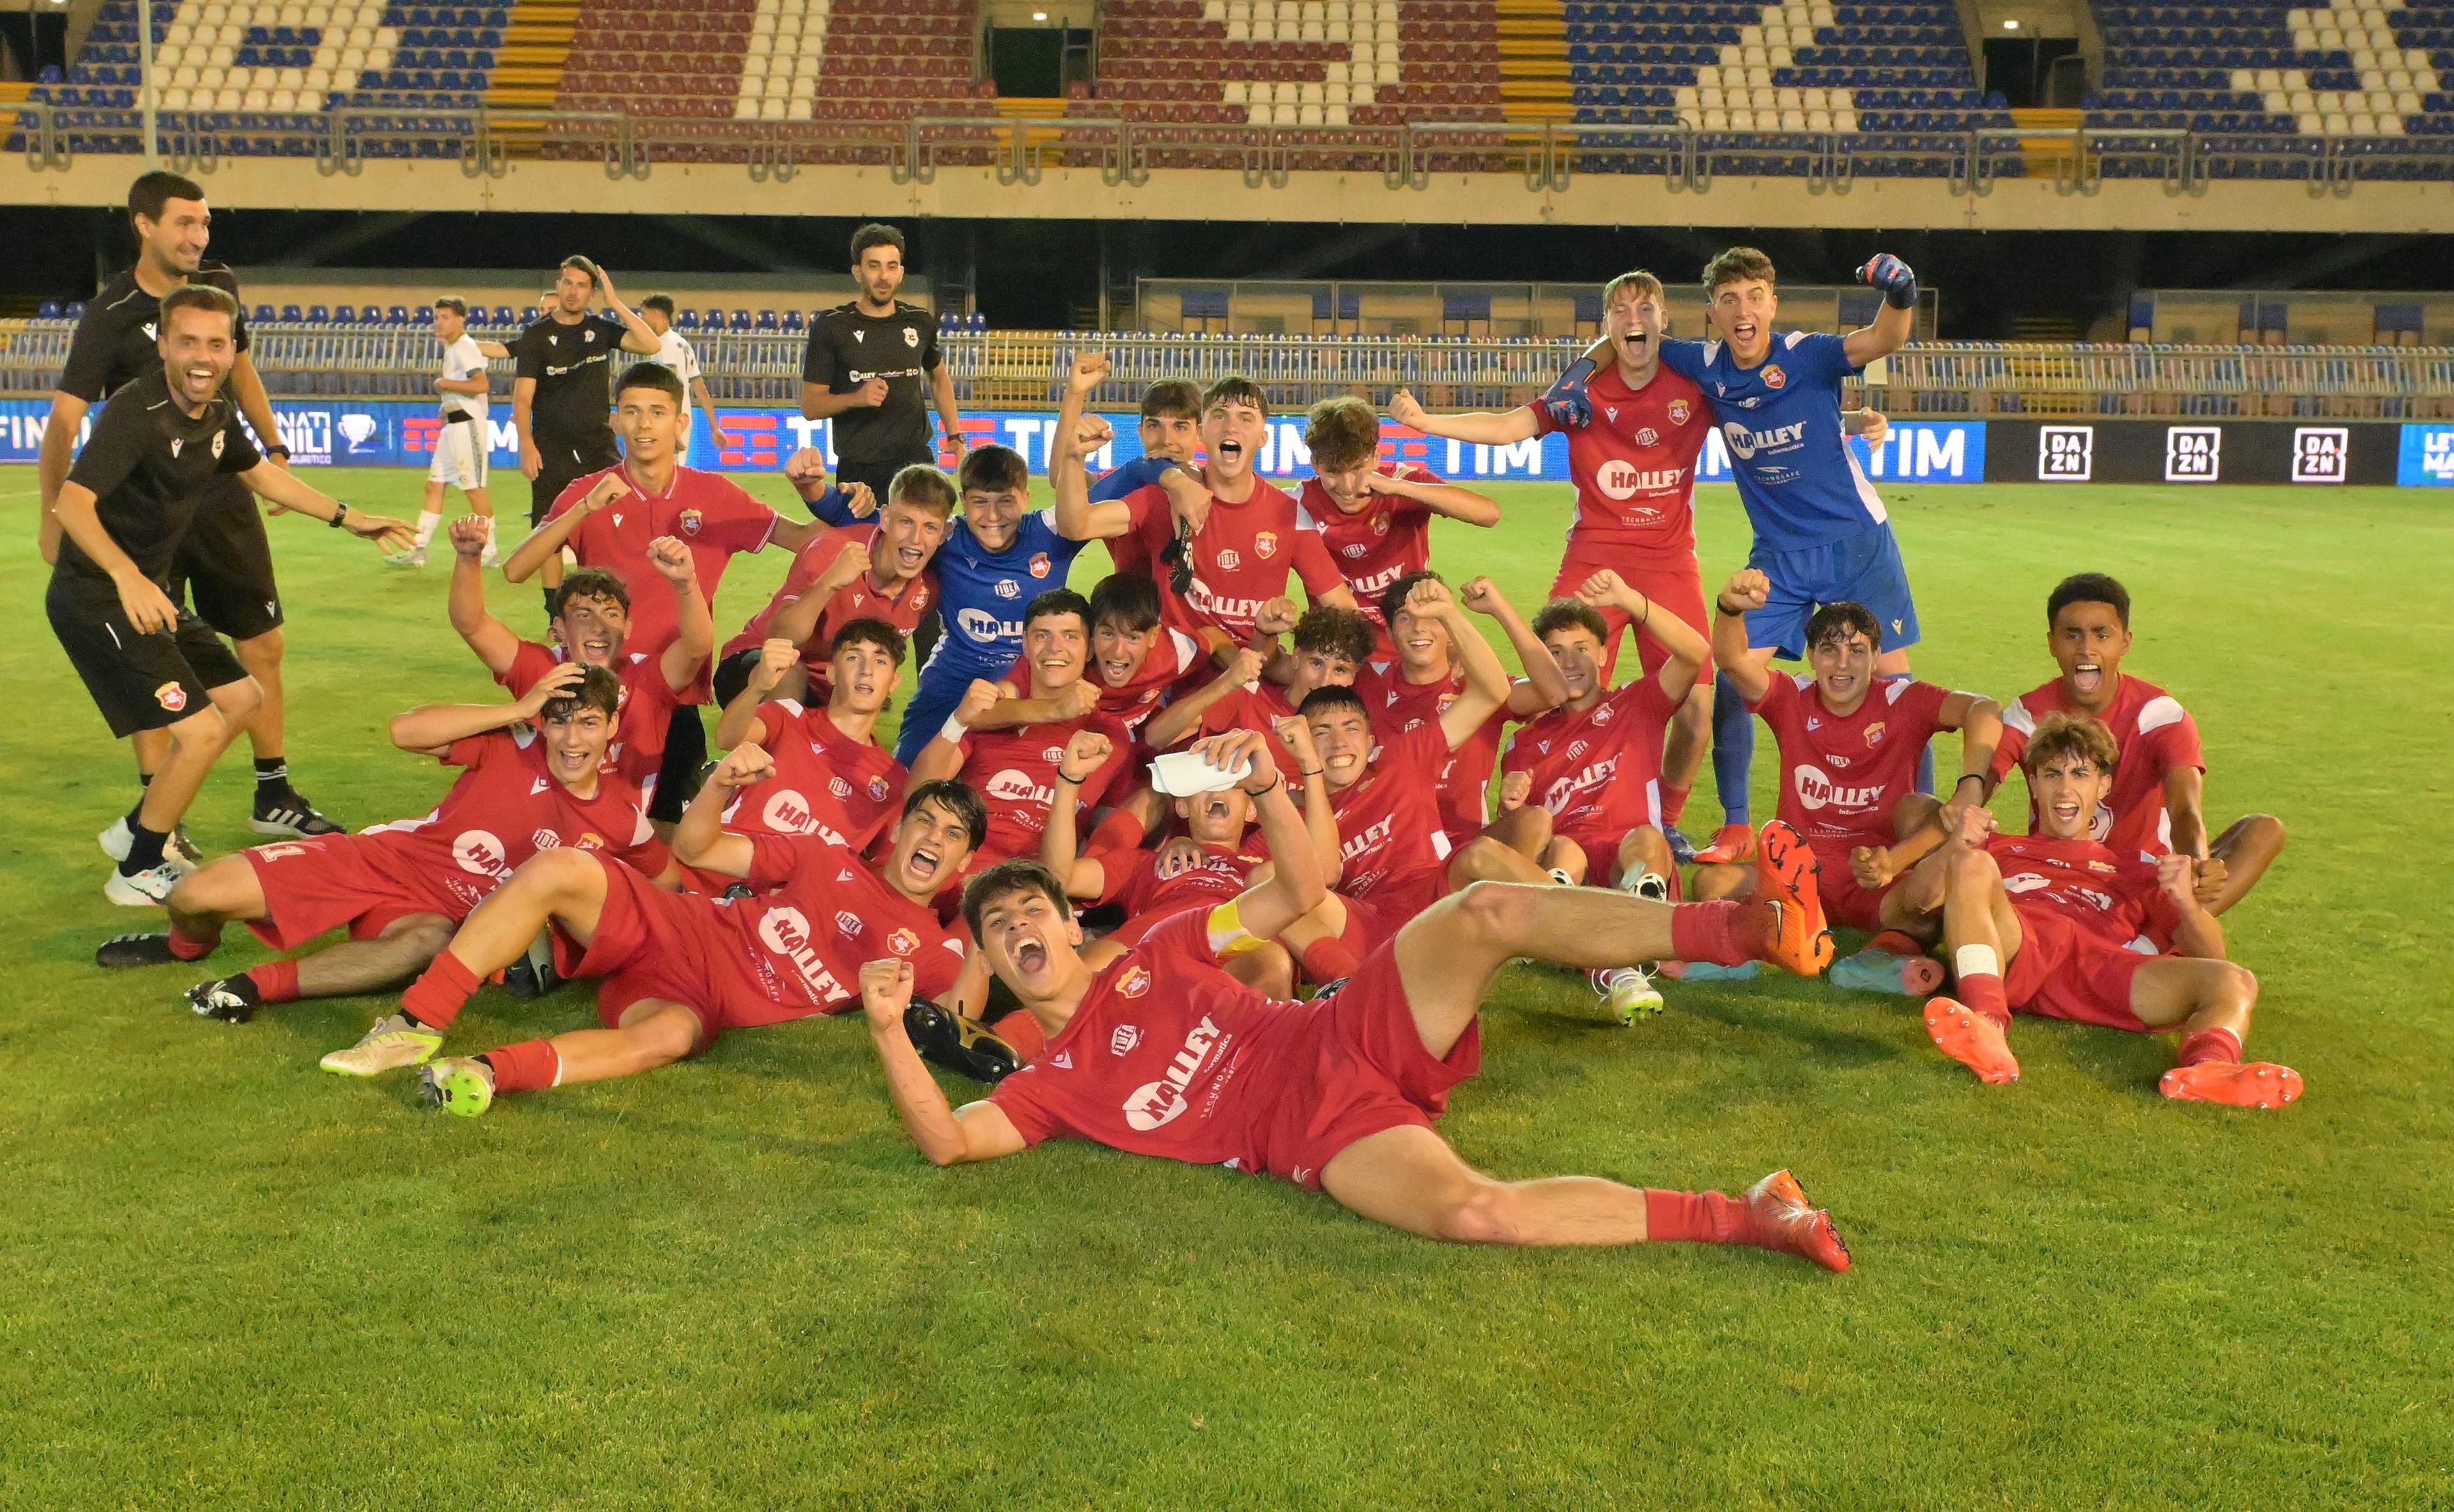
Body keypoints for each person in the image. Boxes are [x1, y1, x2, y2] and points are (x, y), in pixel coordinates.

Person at [855, 734, 1849, 1266]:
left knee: (1488, 904)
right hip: (1312, 1127)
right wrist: (891, 1026)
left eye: (1034, 907)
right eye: (999, 927)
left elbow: (1291, 894)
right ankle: (1745, 1214)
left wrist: (1274, 787)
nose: (1023, 927)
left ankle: (1746, 929)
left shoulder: (1159, 949)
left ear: (1072, 922)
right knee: (1477, 1215)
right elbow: (947, 1138)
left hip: (1338, 1025)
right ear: (990, 953)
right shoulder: (1048, 1085)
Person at [47, 282, 413, 904]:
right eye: (188, 341)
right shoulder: (135, 413)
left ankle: (137, 826)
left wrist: (349, 516)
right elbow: (73, 503)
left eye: (216, 344)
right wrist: (127, 575)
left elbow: (260, 473)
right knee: (198, 732)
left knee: (243, 696)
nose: (203, 356)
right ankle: (139, 864)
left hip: (153, 598)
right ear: (162, 344)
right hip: (100, 597)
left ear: (230, 350)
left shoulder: (214, 410)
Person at [378, 759, 990, 1115]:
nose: (933, 839)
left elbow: (955, 1029)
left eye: (953, 834)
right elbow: (698, 848)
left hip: (695, 998)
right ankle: (415, 1023)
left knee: (670, 1037)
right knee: (561, 866)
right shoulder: (821, 855)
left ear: (963, 861)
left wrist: (982, 936)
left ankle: (486, 1071)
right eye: (924, 822)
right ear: (900, 830)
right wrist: (722, 782)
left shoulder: (932, 953)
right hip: (678, 922)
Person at [93, 664, 670, 1025]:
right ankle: (185, 947)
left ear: (611, 730)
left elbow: (669, 884)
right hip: (382, 861)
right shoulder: (508, 743)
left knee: (423, 946)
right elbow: (404, 731)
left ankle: (252, 986)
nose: (572, 739)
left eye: (588, 724)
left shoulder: (622, 819)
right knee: (196, 893)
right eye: (559, 723)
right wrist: (517, 709)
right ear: (542, 723)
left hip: (442, 916)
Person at [40, 170, 346, 845]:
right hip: (146, 514)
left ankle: (274, 789)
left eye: (204, 224)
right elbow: (65, 420)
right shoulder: (111, 312)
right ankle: (160, 816)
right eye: (184, 222)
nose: (197, 236)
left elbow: (242, 371)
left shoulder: (218, 289)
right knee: (152, 658)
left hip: (221, 491)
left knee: (262, 639)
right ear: (143, 224)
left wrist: (273, 445)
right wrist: (50, 513)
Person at [1394, 272, 1720, 856]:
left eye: (1644, 308)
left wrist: (1855, 428)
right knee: (1556, 689)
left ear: (1664, 320)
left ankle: (1665, 816)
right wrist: (1427, 424)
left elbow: (1764, 419)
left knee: (1697, 705)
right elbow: (1509, 426)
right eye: (1619, 311)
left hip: (1670, 562)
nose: (1633, 319)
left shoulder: (1693, 384)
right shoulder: (1582, 394)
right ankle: (1555, 807)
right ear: (1608, 327)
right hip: (1595, 553)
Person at [1640, 247, 1924, 865]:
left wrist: (1901, 292)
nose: (1743, 310)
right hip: (1779, 554)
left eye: (1754, 297)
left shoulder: (1809, 353)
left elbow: (1884, 337)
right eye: (1729, 299)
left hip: (1858, 542)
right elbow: (1626, 342)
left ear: (1772, 303)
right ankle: (1738, 824)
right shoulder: (1703, 365)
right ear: (1712, 311)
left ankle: (1920, 827)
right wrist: (1580, 379)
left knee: (1896, 688)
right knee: (1736, 674)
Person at [1917, 715, 2301, 1109]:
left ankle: (2208, 1070)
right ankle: (1987, 1022)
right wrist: (1955, 848)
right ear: (2033, 784)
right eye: (2052, 774)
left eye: (2080, 774)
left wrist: (2185, 901)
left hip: (2103, 970)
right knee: (1971, 864)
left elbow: (2213, 956)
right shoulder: (1998, 845)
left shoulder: (2136, 865)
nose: (2065, 789)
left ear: (2103, 784)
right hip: (2021, 948)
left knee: (2236, 982)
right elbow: (1920, 901)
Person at [503, 363, 827, 826]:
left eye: (657, 412)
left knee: (664, 835)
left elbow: (803, 539)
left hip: (672, 694)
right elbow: (516, 569)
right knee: (566, 825)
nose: (643, 424)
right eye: (631, 412)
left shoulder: (714, 495)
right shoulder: (587, 492)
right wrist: (584, 507)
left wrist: (821, 495)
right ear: (615, 421)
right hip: (591, 693)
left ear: (680, 424)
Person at [1696, 573, 2000, 995]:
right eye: (1830, 650)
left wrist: (1970, 785)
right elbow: (1732, 660)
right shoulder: (1791, 698)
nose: (1843, 663)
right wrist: (1730, 608)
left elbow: (1984, 709)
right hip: (1799, 875)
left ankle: (1878, 956)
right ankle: (1769, 949)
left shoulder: (1903, 702)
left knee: (1930, 877)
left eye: (1857, 651)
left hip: (1878, 876)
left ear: (1877, 657)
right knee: (1710, 884)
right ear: (1811, 656)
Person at [1986, 573, 2283, 917]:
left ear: (2125, 642)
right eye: (2072, 635)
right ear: (2052, 643)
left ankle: (2162, 921)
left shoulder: (2159, 714)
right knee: (1946, 835)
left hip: (2142, 875)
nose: (2086, 648)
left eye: (2102, 634)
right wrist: (1970, 808)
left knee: (2264, 830)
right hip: (2057, 871)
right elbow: (1984, 782)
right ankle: (2162, 934)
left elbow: (2185, 809)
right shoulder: (2027, 714)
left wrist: (2198, 864)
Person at [1497, 572, 1711, 1022]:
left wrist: (1632, 600)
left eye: (1581, 649)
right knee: (1564, 847)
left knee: (1650, 840)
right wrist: (1510, 802)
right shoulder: (1525, 743)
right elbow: (1517, 838)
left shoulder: (1638, 704)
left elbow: (1695, 652)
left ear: (1604, 653)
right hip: (1569, 867)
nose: (1569, 662)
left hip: (1630, 862)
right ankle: (1627, 947)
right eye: (1554, 652)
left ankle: (1618, 927)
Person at [1051, 362, 1359, 658]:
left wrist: (1301, 657)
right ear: (1204, 432)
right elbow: (1074, 520)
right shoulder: (1159, 496)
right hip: (1167, 672)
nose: (1232, 427)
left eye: (1246, 418)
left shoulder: (1288, 514)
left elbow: (1344, 612)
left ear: (1264, 438)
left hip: (1251, 675)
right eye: (1221, 416)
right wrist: (1074, 453)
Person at [1041, 723, 1339, 997]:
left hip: (1240, 937)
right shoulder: (1147, 862)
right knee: (1079, 981)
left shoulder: (1265, 866)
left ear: (1252, 811)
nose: (1215, 793)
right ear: (1183, 806)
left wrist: (1306, 769)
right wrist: (1068, 782)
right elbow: (1060, 878)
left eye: (1229, 785)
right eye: (1204, 785)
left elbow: (1322, 875)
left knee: (1270, 966)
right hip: (1155, 937)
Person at [447, 518, 709, 808]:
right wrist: (468, 558)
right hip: (547, 829)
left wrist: (687, 586)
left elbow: (697, 648)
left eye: (610, 615)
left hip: (623, 837)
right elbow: (472, 625)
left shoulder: (645, 676)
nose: (598, 627)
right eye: (583, 615)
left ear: (628, 628)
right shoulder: (541, 670)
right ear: (559, 629)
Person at [890, 445, 1093, 766]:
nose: (993, 516)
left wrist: (1170, 477)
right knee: (908, 771)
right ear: (964, 500)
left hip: (1030, 679)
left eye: (1006, 502)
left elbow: (1125, 484)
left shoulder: (1052, 532)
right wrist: (819, 494)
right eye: (980, 502)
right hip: (953, 677)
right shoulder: (948, 536)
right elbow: (880, 527)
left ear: (1026, 498)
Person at [908, 589, 1134, 870]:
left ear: (1089, 650)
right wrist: (958, 721)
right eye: (1042, 636)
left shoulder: (1111, 736)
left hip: (1032, 886)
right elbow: (915, 793)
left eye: (1070, 636)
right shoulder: (993, 715)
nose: (1055, 648)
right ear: (1025, 645)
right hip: (955, 866)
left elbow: (1111, 830)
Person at [711, 463, 951, 710]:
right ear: (886, 518)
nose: (916, 539)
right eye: (906, 522)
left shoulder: (929, 586)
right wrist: (828, 584)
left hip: (830, 687)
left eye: (930, 527)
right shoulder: (831, 550)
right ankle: (784, 744)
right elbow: (780, 638)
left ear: (943, 533)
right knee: (789, 672)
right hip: (757, 663)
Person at [1360, 569, 1566, 851]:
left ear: (1448, 627)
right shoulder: (1368, 683)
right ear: (1390, 634)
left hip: (1468, 844)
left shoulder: (1480, 686)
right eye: (1405, 619)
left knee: (1534, 822)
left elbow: (1555, 692)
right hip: (1395, 846)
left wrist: (1499, 608)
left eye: (1432, 617)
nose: (1419, 629)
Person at [1297, 394, 1501, 645]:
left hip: (1412, 645)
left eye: (1359, 468)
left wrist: (1400, 488)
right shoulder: (1300, 504)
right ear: (1315, 464)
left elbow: (1489, 514)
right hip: (1345, 650)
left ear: (1376, 456)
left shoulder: (1403, 482)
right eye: (1335, 472)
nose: (1348, 486)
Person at [508, 255, 660, 590]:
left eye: (581, 285)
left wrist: (616, 303)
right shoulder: (535, 335)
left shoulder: (600, 330)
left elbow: (652, 344)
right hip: (552, 446)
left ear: (591, 294)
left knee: (613, 520)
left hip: (597, 444)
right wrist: (527, 443)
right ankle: (553, 615)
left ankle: (606, 596)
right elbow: (522, 398)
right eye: (567, 283)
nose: (572, 291)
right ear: (558, 286)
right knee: (550, 531)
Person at [798, 223, 964, 506]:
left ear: (900, 272)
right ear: (858, 272)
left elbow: (938, 376)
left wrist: (955, 434)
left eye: (892, 266)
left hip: (916, 462)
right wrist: (856, 398)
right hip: (860, 471)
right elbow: (811, 407)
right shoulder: (831, 326)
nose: (883, 276)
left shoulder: (920, 321)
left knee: (926, 544)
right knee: (863, 549)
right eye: (874, 266)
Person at [712, 618, 911, 852]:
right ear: (832, 674)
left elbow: (884, 866)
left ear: (894, 682)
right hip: (719, 871)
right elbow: (727, 738)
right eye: (853, 658)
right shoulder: (789, 717)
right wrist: (758, 687)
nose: (866, 671)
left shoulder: (893, 781)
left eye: (880, 661)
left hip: (800, 889)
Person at [390, 296, 511, 569]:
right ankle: (418, 549)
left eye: (445, 317)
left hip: (467, 425)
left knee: (474, 490)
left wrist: (445, 384)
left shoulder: (464, 347)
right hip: (454, 424)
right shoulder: (455, 348)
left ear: (460, 319)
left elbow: (481, 384)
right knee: (434, 485)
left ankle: (491, 552)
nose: (439, 323)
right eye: (437, 317)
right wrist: (448, 404)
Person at [636, 293, 718, 454]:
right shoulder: (681, 343)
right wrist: (715, 428)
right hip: (680, 420)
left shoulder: (665, 345)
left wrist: (672, 426)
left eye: (644, 314)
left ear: (658, 314)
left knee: (665, 475)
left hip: (668, 422)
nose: (641, 318)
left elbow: (671, 388)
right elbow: (701, 389)